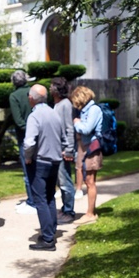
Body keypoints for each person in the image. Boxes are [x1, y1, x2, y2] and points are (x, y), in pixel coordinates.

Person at [22, 84, 66, 251]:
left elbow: (29, 142)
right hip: (54, 160)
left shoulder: (35, 116)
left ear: (32, 98)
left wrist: (27, 157)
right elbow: (62, 137)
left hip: (40, 161)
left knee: (40, 199)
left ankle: (47, 239)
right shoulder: (54, 113)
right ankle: (50, 231)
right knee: (49, 197)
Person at [70, 85, 104, 223]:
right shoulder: (85, 110)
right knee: (87, 180)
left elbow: (87, 129)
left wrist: (77, 123)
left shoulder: (94, 109)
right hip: (84, 147)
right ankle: (91, 212)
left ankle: (90, 214)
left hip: (92, 148)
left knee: (90, 181)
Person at [50, 76, 78, 224]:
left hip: (62, 150)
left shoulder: (65, 104)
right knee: (60, 182)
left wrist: (68, 150)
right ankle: (65, 208)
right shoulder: (58, 104)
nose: (49, 89)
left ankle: (69, 211)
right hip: (56, 149)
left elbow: (69, 128)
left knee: (65, 182)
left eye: (51, 86)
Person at [7, 70, 35, 212]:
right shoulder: (33, 91)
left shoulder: (14, 96)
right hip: (40, 135)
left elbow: (18, 121)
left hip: (25, 137)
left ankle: (32, 201)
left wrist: (29, 129)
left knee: (28, 170)